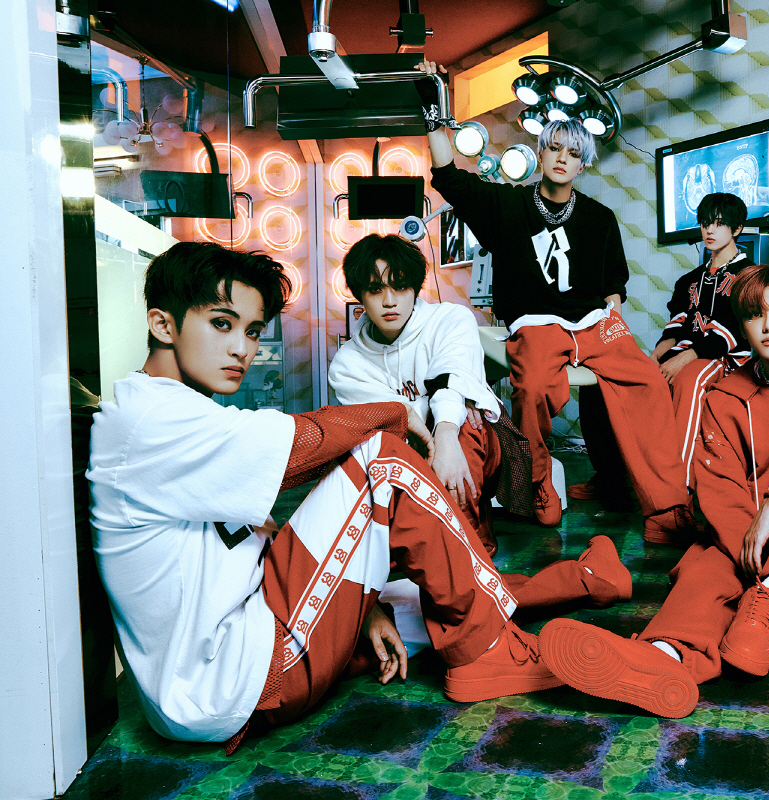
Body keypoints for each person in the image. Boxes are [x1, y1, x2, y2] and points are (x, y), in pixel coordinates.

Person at [86, 242, 590, 750]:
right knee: (385, 460)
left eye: (253, 331)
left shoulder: (166, 409)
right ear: (162, 325)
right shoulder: (149, 420)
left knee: (418, 599)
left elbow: (257, 538)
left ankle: (584, 580)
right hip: (234, 678)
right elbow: (303, 445)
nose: (242, 349)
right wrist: (394, 413)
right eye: (222, 324)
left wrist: (365, 611)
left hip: (230, 650)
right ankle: (487, 653)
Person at [538, 263, 769, 718]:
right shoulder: (724, 395)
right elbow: (719, 485)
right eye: (755, 315)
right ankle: (665, 655)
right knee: (709, 556)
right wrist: (749, 540)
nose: (768, 325)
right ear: (742, 326)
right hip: (755, 533)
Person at [419, 61, 693, 543]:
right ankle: (538, 486)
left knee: (648, 380)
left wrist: (614, 316)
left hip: (594, 320)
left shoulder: (600, 217)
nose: (564, 158)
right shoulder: (508, 206)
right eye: (555, 148)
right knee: (532, 391)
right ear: (540, 153)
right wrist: (432, 107)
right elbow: (449, 176)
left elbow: (614, 281)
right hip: (536, 321)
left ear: (583, 164)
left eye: (574, 152)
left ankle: (666, 506)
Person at [328, 233, 631, 606]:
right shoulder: (347, 364)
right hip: (409, 459)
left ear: (415, 288)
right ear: (359, 295)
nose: (390, 300)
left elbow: (449, 379)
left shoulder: (449, 318)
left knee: (467, 424)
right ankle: (580, 579)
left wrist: (447, 424)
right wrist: (447, 404)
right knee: (391, 440)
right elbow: (397, 420)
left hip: (483, 449)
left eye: (400, 286)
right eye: (376, 290)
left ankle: (473, 549)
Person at [651, 192, 752, 486]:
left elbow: (737, 329)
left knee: (690, 378)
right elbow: (676, 326)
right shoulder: (688, 280)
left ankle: (680, 487)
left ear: (737, 229)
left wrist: (688, 357)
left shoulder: (751, 276)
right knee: (641, 378)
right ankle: (646, 476)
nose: (709, 230)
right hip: (686, 353)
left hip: (727, 358)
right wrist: (656, 356)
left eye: (719, 224)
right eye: (706, 223)